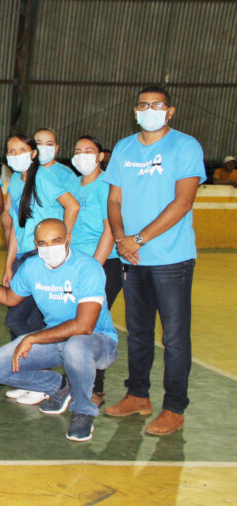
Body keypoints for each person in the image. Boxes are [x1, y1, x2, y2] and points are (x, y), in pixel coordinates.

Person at [104, 86, 204, 436]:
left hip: (171, 259)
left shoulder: (185, 146)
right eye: (143, 105)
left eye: (157, 105)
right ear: (135, 111)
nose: (149, 110)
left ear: (170, 111)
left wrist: (139, 239)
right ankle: (137, 395)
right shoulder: (124, 148)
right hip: (132, 258)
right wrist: (121, 239)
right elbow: (114, 200)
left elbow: (183, 202)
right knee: (139, 332)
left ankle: (174, 408)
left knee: (174, 337)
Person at [0, 219, 118, 442]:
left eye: (56, 241)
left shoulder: (88, 267)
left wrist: (32, 338)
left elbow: (84, 326)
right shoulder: (32, 267)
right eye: (43, 243)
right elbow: (10, 298)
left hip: (98, 341)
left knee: (76, 346)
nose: (49, 248)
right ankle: (59, 387)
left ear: (68, 239)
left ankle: (83, 411)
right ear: (35, 244)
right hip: (56, 339)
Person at [62, 135, 122, 407]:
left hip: (101, 263)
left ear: (100, 156)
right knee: (72, 322)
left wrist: (94, 267)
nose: (82, 155)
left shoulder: (107, 184)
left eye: (89, 150)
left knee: (94, 324)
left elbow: (110, 228)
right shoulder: (72, 184)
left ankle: (95, 388)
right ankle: (74, 382)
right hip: (74, 263)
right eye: (78, 150)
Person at [3, 133, 79, 339]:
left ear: (33, 153)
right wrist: (9, 264)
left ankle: (42, 350)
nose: (16, 155)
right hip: (22, 257)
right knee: (23, 320)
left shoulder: (43, 177)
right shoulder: (16, 181)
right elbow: (17, 228)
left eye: (22, 150)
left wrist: (61, 241)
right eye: (11, 151)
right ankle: (29, 357)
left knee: (18, 319)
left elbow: (72, 206)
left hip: (40, 255)